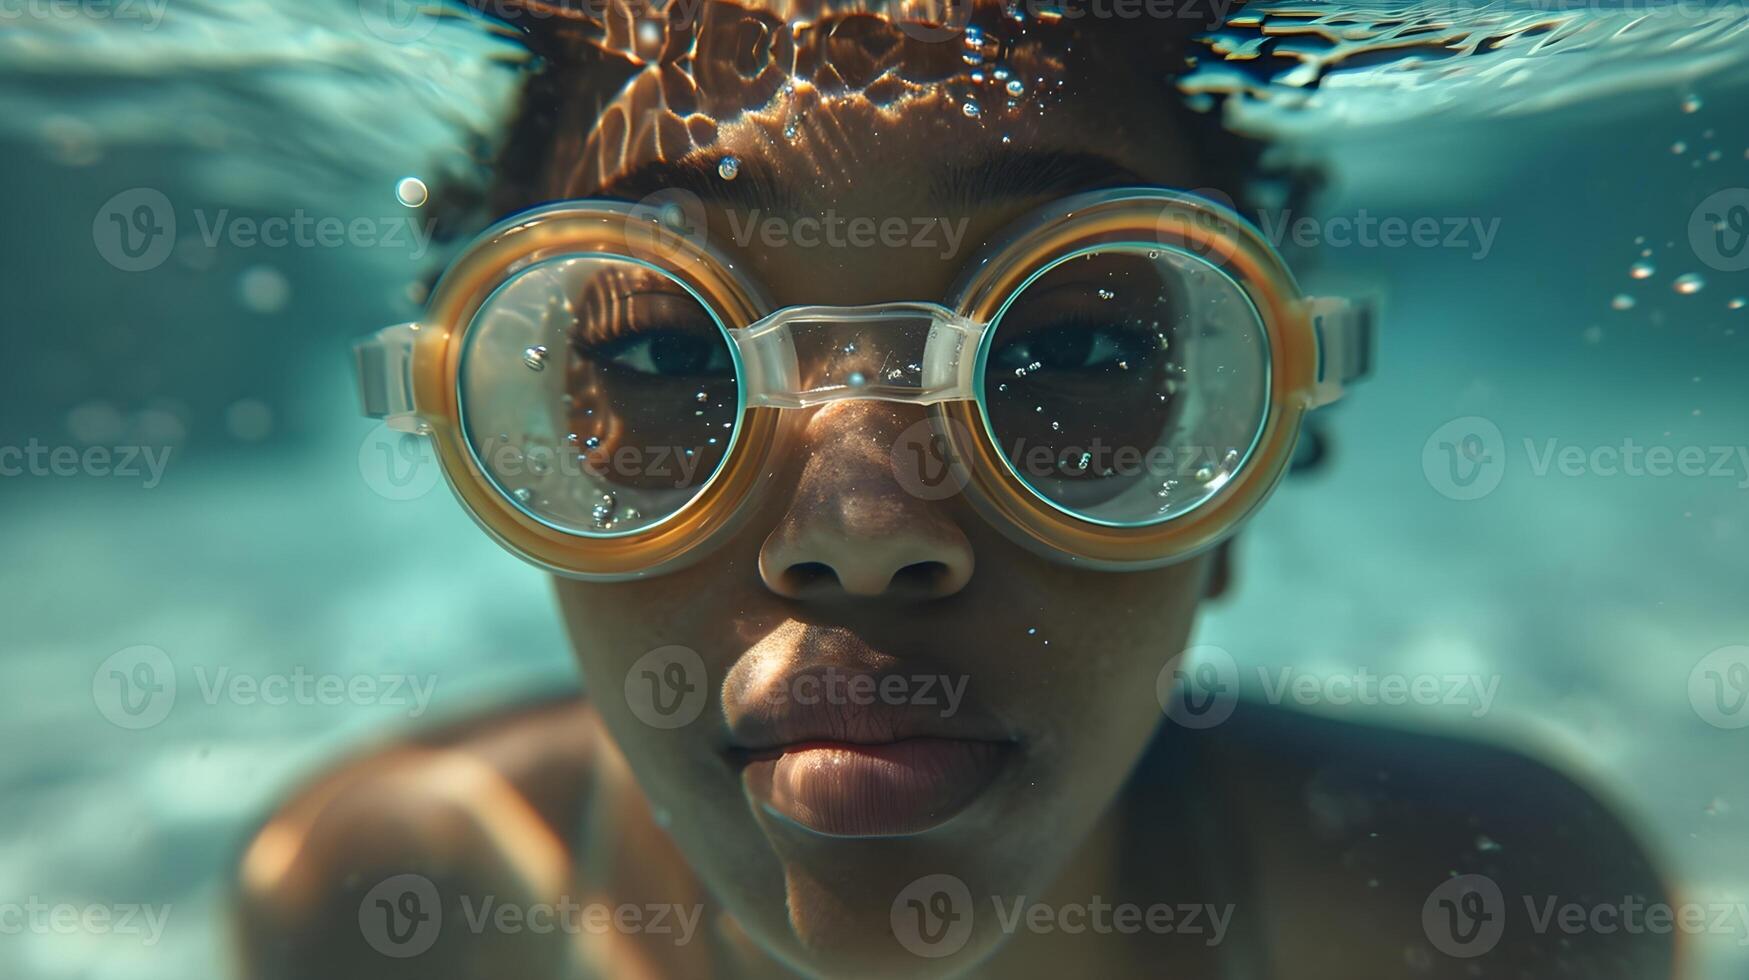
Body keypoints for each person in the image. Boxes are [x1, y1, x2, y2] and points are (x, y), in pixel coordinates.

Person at [235, 1, 1675, 976]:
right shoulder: (390, 902)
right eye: (667, 353)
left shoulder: (1483, 921)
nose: (862, 532)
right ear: (512, 443)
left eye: (1076, 345)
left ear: (1244, 458)